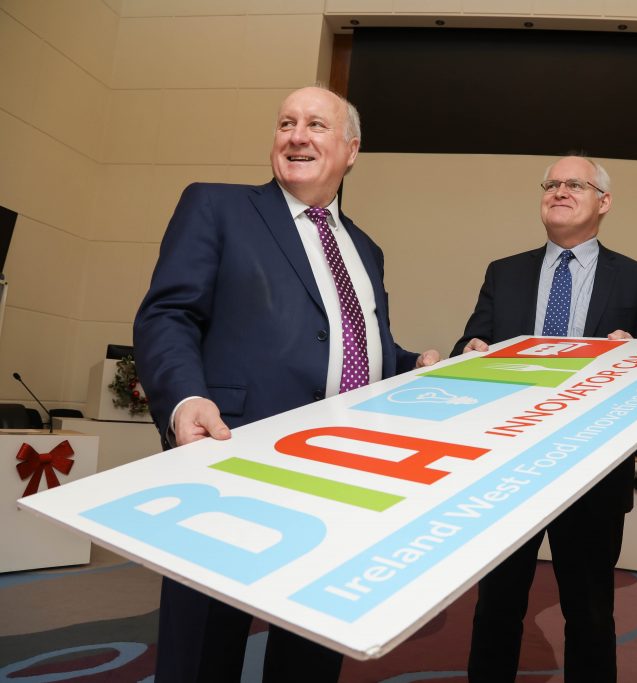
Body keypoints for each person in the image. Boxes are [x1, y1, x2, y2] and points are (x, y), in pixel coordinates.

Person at [134, 86, 440, 682]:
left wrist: (411, 366)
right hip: (228, 462)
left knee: (310, 647)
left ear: (351, 149)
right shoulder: (216, 206)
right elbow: (168, 314)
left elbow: (357, 347)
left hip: (339, 475)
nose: (297, 135)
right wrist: (183, 400)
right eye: (286, 123)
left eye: (316, 125)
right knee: (203, 649)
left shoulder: (366, 249)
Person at [453, 155, 637, 682]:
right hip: (509, 467)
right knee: (497, 608)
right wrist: (471, 349)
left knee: (591, 612)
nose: (559, 191)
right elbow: (470, 346)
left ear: (604, 202)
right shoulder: (504, 273)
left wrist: (636, 356)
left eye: (575, 183)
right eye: (551, 183)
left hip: (590, 471)